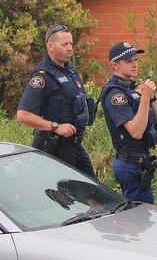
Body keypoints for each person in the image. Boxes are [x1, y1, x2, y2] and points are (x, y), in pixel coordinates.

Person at [17, 24, 97, 178]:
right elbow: (23, 115)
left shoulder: (70, 71)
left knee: (94, 194)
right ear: (50, 46)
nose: (70, 48)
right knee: (63, 199)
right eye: (64, 44)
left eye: (71, 44)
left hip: (74, 146)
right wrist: (55, 127)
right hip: (55, 148)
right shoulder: (43, 76)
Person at [100, 42, 157, 203]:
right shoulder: (115, 94)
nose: (135, 64)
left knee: (145, 213)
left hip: (141, 161)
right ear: (115, 65)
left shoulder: (133, 88)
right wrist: (144, 98)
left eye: (136, 60)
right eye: (129, 61)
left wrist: (152, 98)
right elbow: (135, 132)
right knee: (137, 217)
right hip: (129, 163)